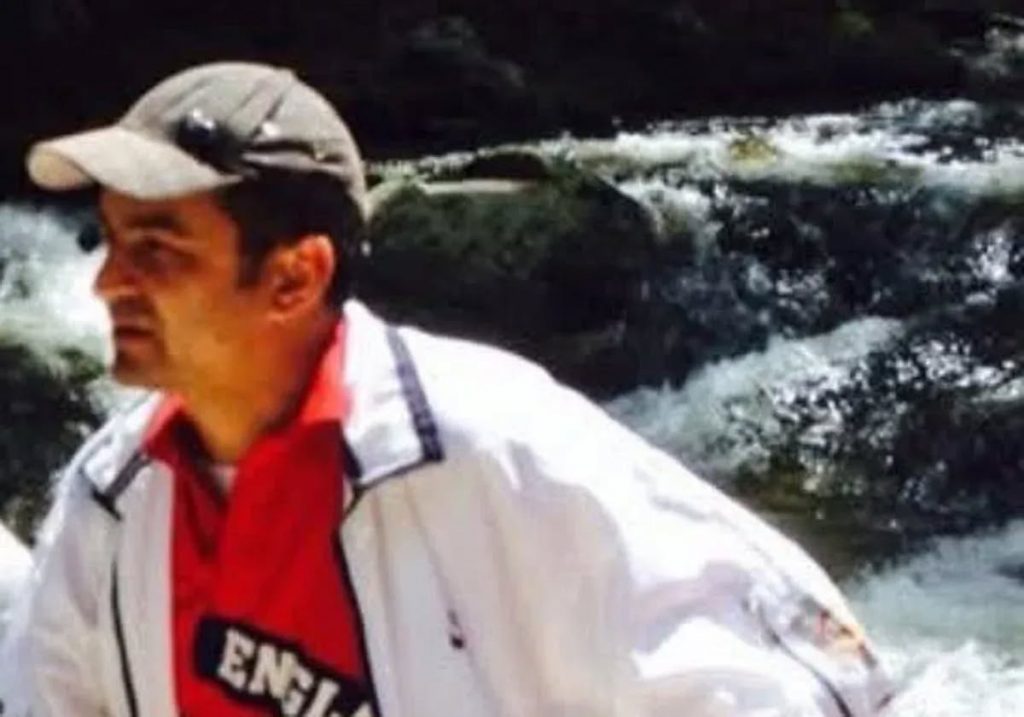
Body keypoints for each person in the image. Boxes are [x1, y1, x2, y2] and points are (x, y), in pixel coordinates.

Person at [0, 62, 892, 717]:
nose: (107, 282)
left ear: (295, 277)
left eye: (156, 250)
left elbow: (810, 678)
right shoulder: (112, 496)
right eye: (110, 240)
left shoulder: (496, 446)